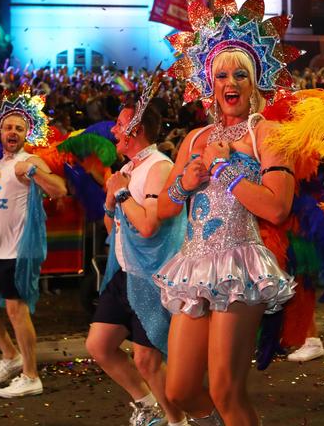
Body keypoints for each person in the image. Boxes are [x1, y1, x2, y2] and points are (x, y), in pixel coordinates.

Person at [154, 0, 297, 426]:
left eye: (240, 74)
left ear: (256, 82)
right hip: (194, 265)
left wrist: (225, 169)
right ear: (207, 83)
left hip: (241, 264)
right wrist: (185, 182)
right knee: (177, 390)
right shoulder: (194, 139)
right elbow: (164, 209)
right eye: (221, 76)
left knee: (225, 388)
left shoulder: (268, 135)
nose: (230, 84)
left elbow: (277, 208)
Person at [85, 101, 188, 426]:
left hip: (152, 277)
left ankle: (177, 421)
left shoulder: (158, 166)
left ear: (136, 130)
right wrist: (111, 198)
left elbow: (147, 226)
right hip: (125, 273)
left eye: (119, 123)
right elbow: (112, 227)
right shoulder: (128, 170)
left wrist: (123, 193)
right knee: (100, 345)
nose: (114, 130)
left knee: (147, 359)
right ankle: (147, 405)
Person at [0, 90, 66, 398]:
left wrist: (36, 173)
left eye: (19, 129)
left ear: (27, 134)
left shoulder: (28, 161)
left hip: (15, 254)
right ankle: (11, 356)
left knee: (16, 312)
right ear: (0, 131)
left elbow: (59, 190)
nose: (13, 132)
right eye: (9, 127)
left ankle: (31, 375)